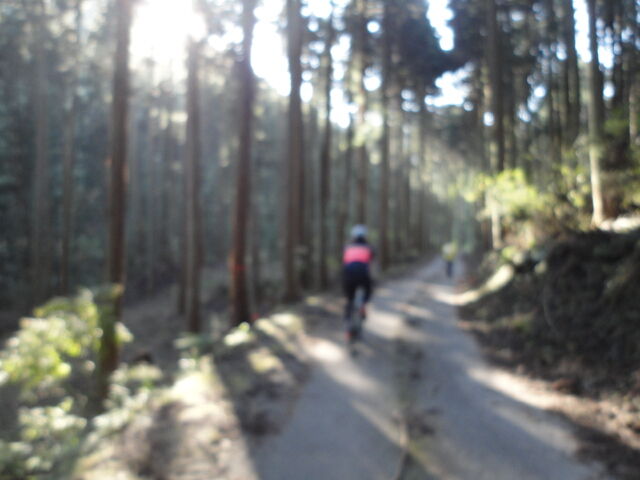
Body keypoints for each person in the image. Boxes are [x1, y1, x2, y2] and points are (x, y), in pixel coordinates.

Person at [342, 224, 375, 341]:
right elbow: (371, 263)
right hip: (363, 274)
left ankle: (347, 329)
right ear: (365, 236)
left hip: (349, 276)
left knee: (349, 301)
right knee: (368, 290)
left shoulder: (347, 247)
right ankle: (363, 305)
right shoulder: (368, 247)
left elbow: (345, 262)